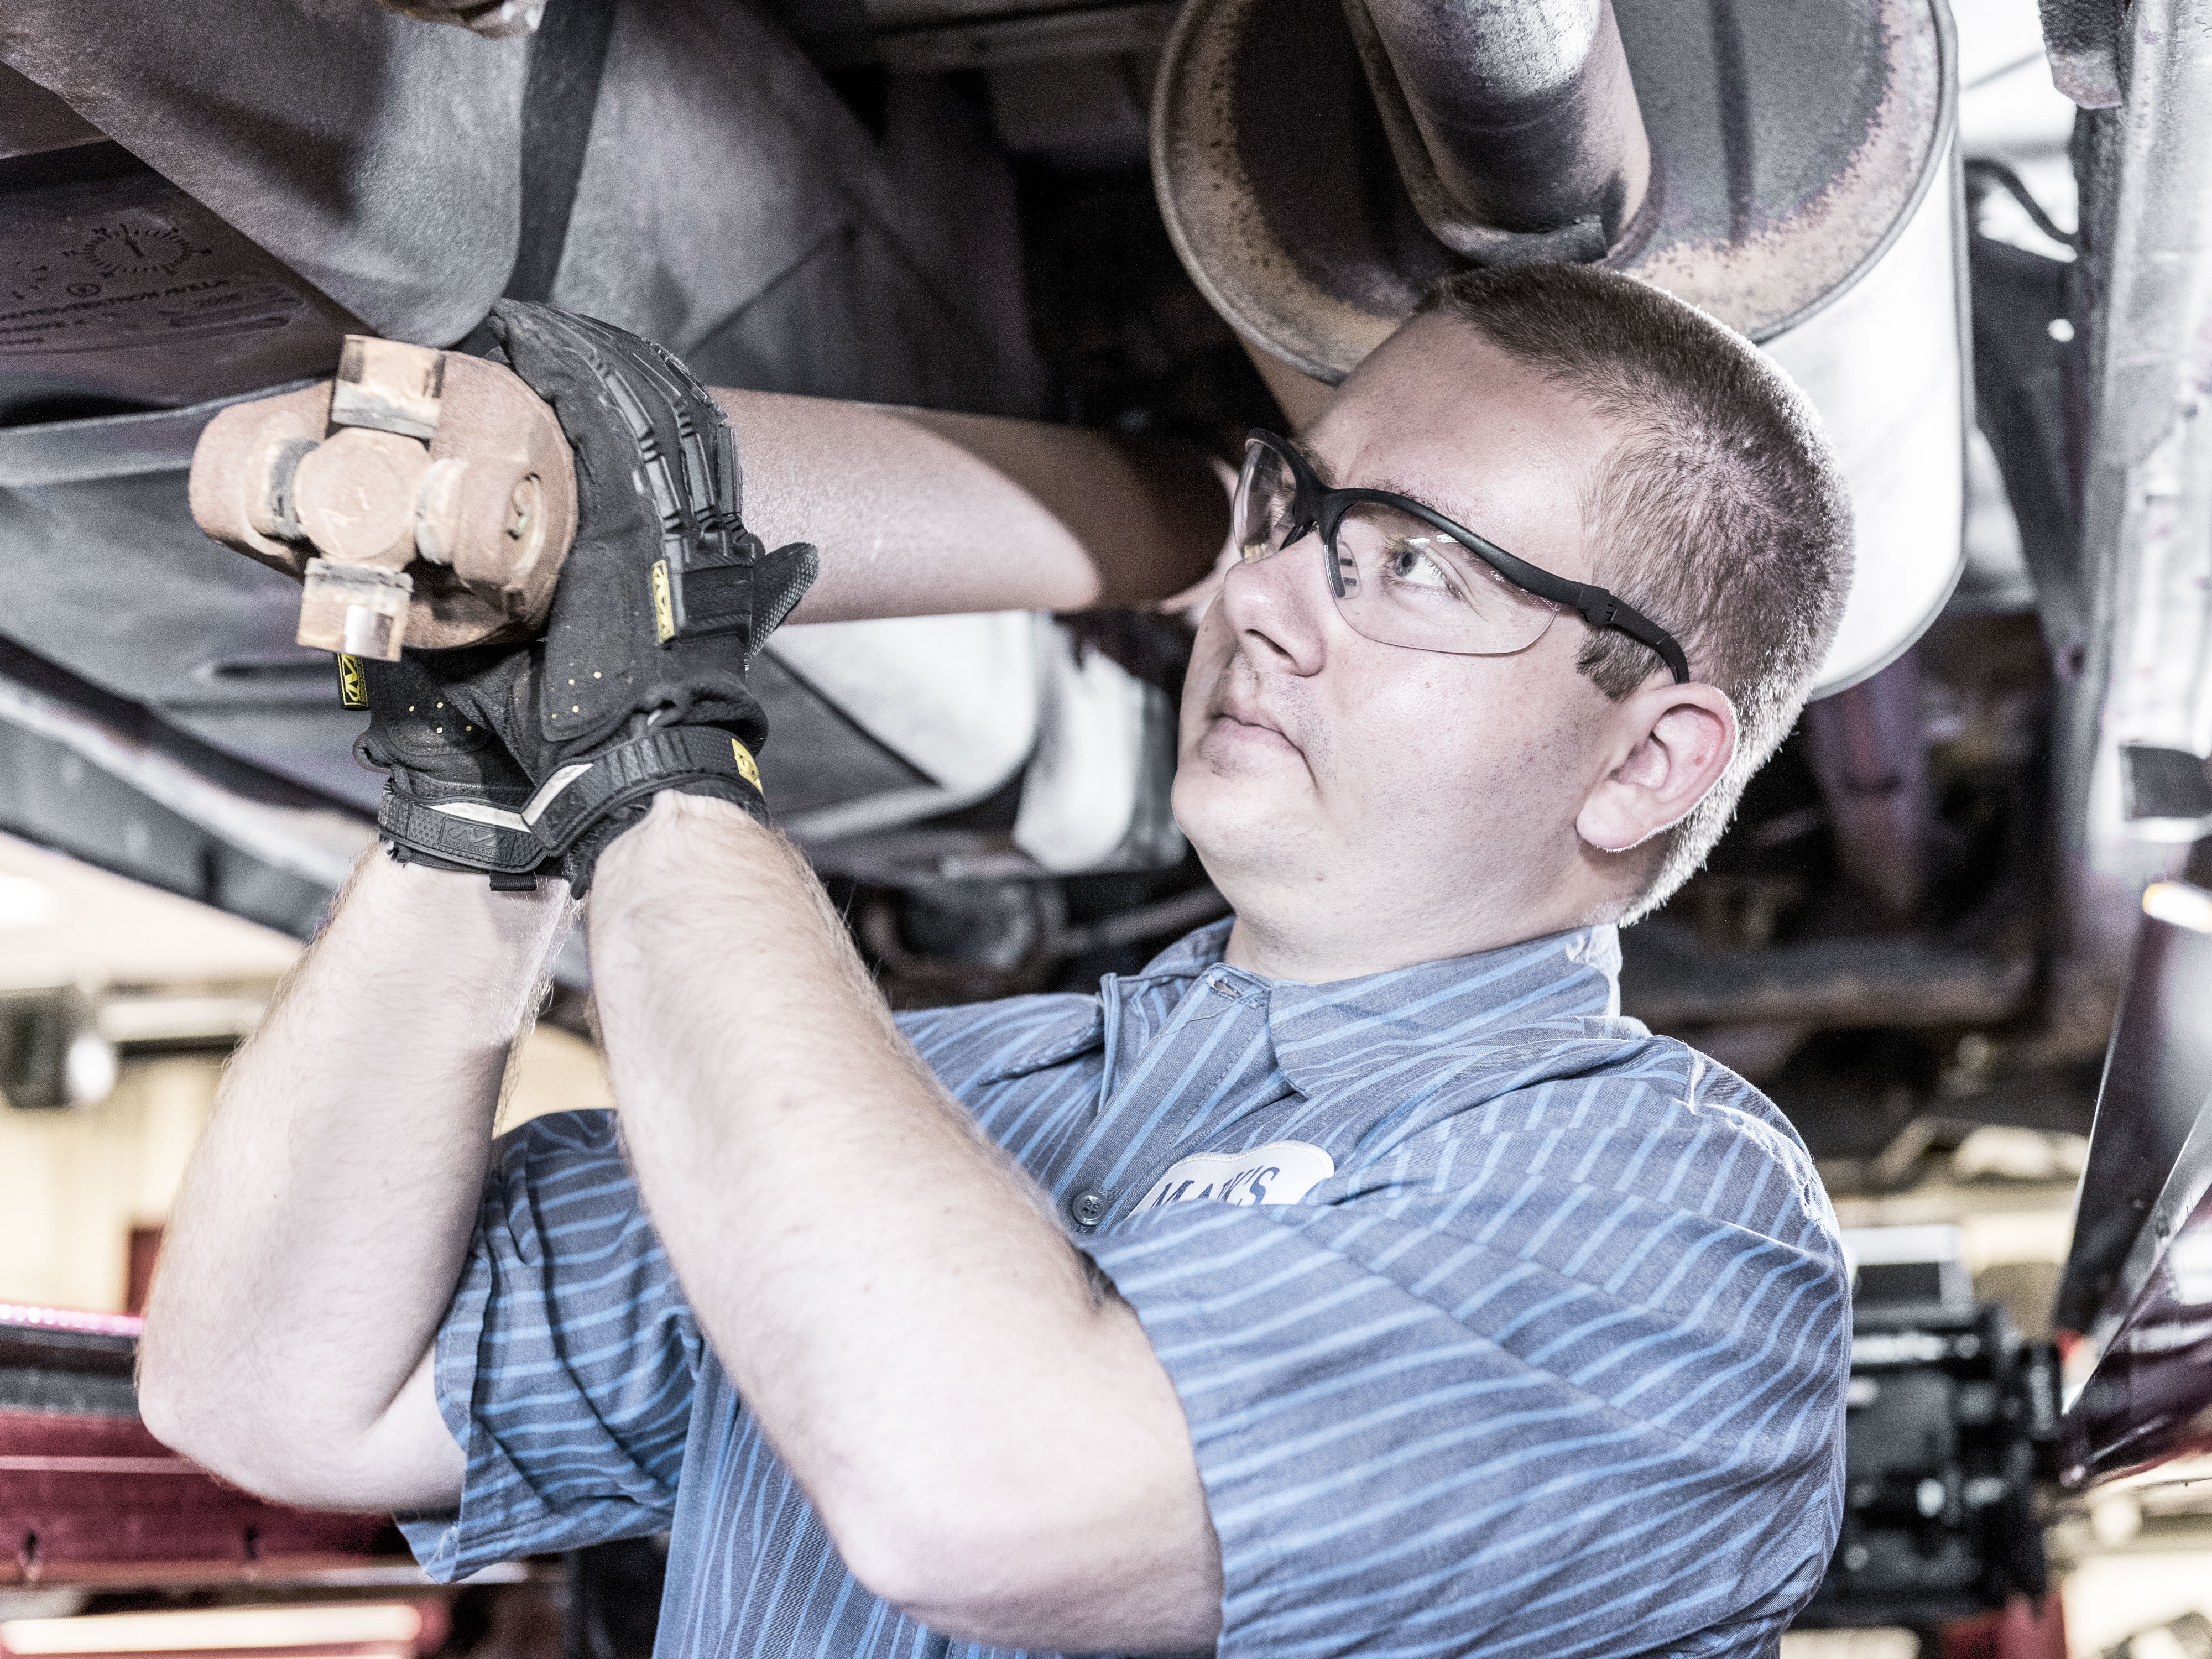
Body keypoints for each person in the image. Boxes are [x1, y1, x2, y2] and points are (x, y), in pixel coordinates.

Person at [139, 261, 1856, 1659]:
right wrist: (478, 822)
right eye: (1296, 512)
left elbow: (984, 1495)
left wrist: (654, 767)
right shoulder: (938, 1102)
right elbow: (282, 1394)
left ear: (1648, 761)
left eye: (1410, 562)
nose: (1260, 598)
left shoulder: (1676, 1222)